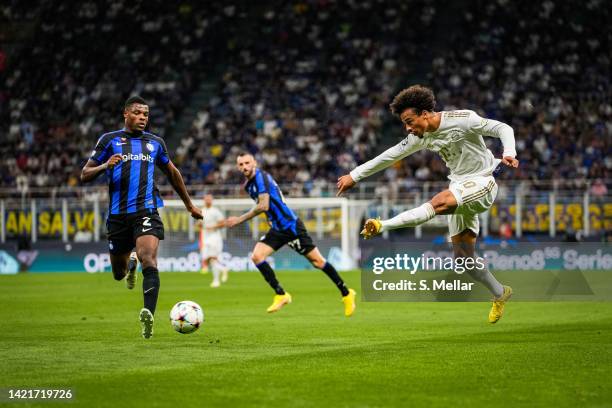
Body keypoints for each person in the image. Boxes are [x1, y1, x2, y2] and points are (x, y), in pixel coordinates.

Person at [337, 85, 519, 323]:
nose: (408, 128)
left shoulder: (463, 119)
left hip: (484, 181)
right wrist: (355, 175)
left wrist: (510, 152)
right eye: (404, 123)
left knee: (439, 202)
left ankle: (383, 225)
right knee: (464, 259)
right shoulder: (418, 137)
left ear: (425, 113)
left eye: (410, 121)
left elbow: (502, 127)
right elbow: (389, 155)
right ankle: (500, 293)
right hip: (459, 186)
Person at [80, 95, 202, 338]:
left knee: (150, 258)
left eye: (146, 114)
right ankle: (130, 264)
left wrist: (189, 205)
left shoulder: (155, 143)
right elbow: (84, 174)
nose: (143, 118)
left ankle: (148, 316)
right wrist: (105, 166)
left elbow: (172, 173)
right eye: (137, 113)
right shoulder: (109, 140)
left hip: (146, 210)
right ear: (126, 113)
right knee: (118, 274)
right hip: (117, 216)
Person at [226, 153, 356, 316]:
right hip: (278, 229)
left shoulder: (261, 177)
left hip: (291, 226)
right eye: (241, 164)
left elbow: (264, 205)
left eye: (247, 163)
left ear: (255, 163)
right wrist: (270, 220)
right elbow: (268, 206)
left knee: (317, 262)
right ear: (238, 167)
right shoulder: (248, 186)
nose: (244, 167)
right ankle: (281, 294)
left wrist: (239, 219)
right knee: (257, 256)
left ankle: (346, 293)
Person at [197, 194, 229, 287]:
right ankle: (223, 268)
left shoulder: (216, 211)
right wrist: (199, 225)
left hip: (215, 237)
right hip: (205, 237)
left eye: (209, 199)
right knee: (206, 259)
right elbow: (199, 224)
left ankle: (216, 281)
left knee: (213, 258)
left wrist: (213, 227)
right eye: (206, 199)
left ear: (212, 200)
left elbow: (223, 223)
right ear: (204, 200)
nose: (207, 201)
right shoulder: (201, 211)